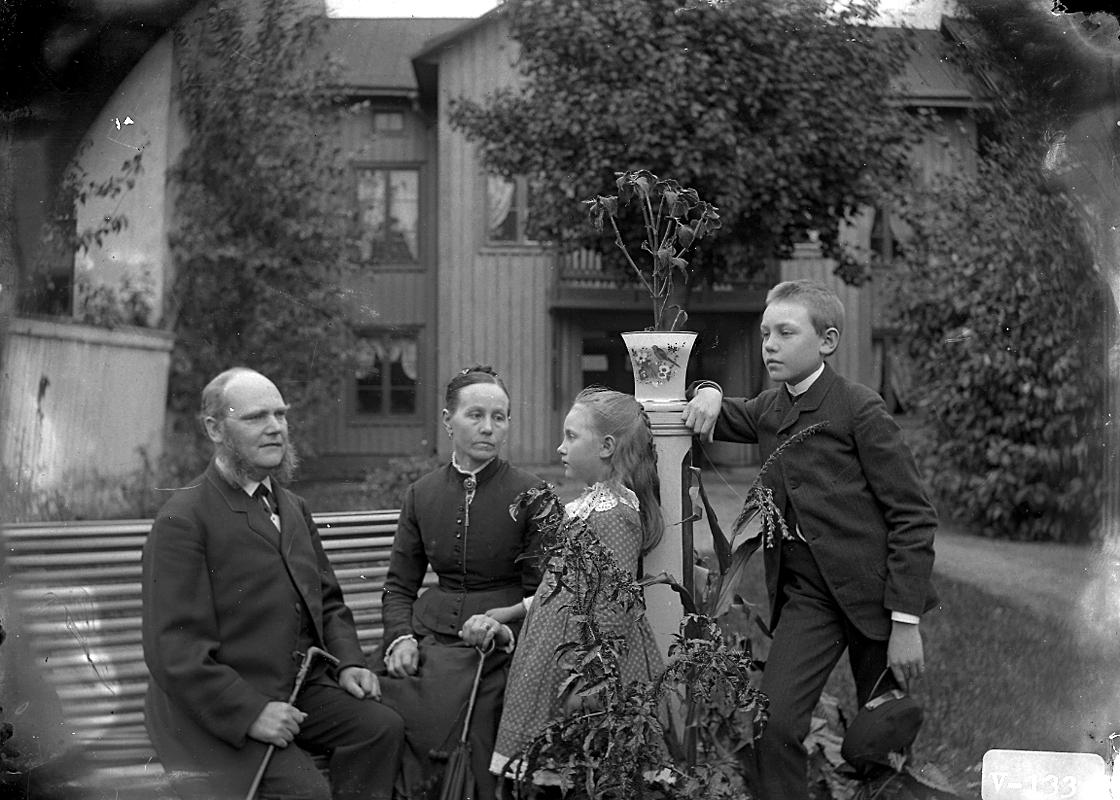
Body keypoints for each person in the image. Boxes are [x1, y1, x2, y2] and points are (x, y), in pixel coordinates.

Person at [681, 279, 938, 800]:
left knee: (879, 740)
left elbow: (913, 516)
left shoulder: (858, 408)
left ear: (827, 341)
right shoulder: (770, 409)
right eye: (764, 334)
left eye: (785, 332)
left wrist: (905, 622)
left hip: (875, 597)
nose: (769, 345)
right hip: (809, 597)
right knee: (773, 723)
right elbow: (716, 409)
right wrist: (706, 390)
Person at [141, 367, 405, 800]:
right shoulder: (184, 518)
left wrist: (349, 663)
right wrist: (251, 713)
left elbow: (328, 601)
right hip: (215, 706)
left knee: (380, 729)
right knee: (307, 794)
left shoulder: (292, 507)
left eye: (280, 414)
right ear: (214, 428)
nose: (275, 427)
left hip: (295, 687)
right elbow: (173, 649)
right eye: (255, 417)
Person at [377, 366, 547, 800]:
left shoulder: (533, 495)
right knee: (385, 697)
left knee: (467, 706)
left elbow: (545, 596)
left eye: (499, 417)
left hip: (502, 642)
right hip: (431, 635)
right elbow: (398, 586)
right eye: (475, 415)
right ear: (448, 421)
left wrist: (506, 629)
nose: (489, 428)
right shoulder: (422, 493)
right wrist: (400, 638)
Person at [490, 387, 665, 784]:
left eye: (571, 436)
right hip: (556, 651)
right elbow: (566, 584)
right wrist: (516, 610)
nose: (561, 447)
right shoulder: (591, 505)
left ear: (606, 447)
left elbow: (613, 604)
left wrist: (591, 680)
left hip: (583, 665)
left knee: (588, 768)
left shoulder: (615, 513)